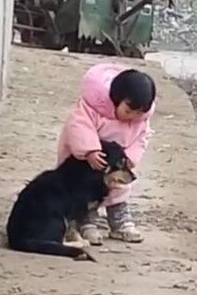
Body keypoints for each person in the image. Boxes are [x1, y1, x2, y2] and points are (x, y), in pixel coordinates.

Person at [57, 63, 156, 244]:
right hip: (86, 161)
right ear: (115, 100)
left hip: (115, 163)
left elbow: (142, 138)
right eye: (128, 110)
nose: (132, 117)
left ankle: (119, 221)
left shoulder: (139, 121)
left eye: (138, 113)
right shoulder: (93, 107)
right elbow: (79, 125)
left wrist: (130, 159)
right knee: (85, 189)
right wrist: (89, 150)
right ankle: (87, 222)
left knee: (119, 186)